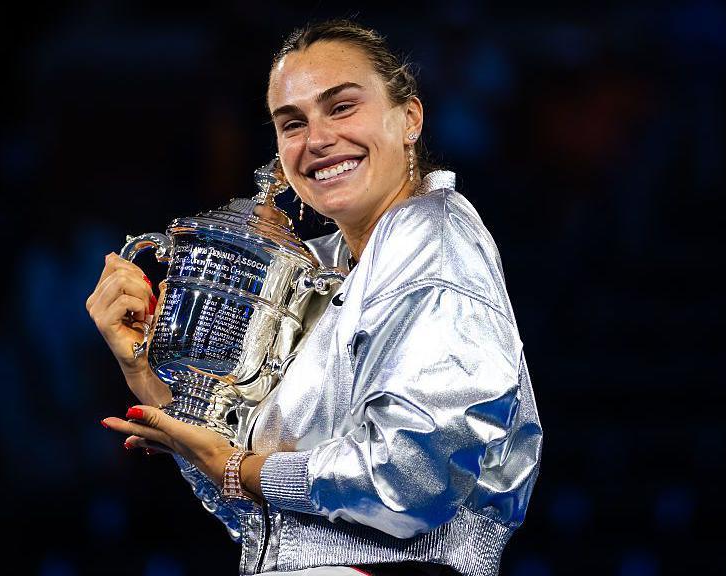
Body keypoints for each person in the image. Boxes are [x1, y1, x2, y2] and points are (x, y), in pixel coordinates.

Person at [87, 19, 542, 576]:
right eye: (292, 123)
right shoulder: (320, 268)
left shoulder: (433, 235)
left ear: (410, 119)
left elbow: (415, 473)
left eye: (342, 106)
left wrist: (240, 469)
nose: (318, 139)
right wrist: (144, 370)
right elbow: (263, 520)